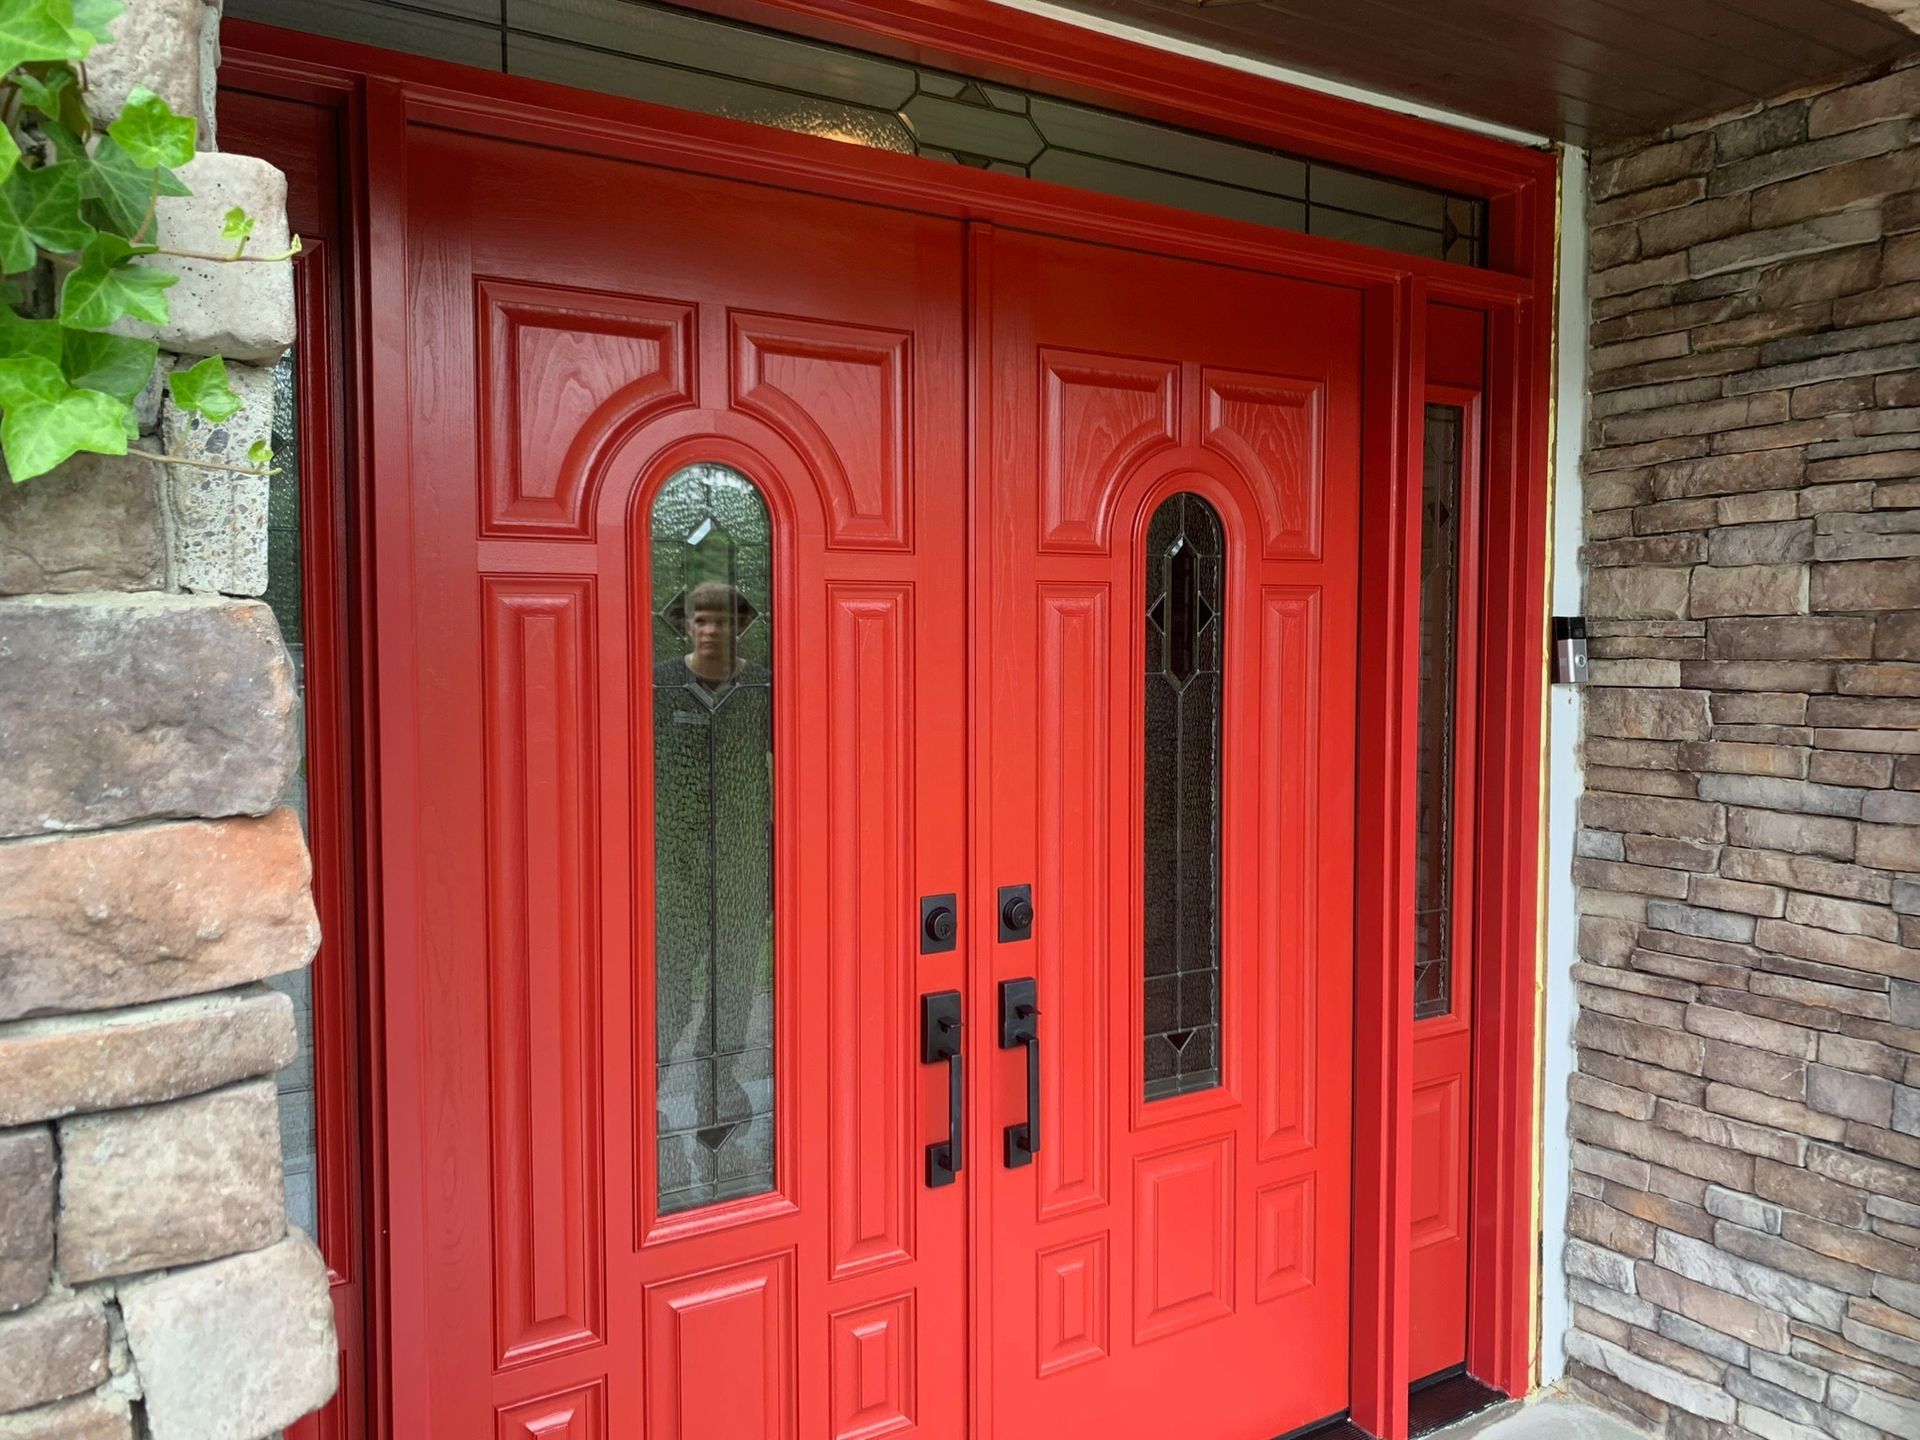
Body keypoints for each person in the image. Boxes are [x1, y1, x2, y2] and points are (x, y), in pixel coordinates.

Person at [651, 580, 775, 1210]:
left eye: (722, 619)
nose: (710, 629)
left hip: (744, 869)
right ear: (686, 625)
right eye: (700, 618)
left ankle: (718, 1097)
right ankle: (645, 1099)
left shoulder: (764, 690)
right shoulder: (658, 685)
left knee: (730, 993)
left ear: (740, 626)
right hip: (671, 875)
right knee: (669, 990)